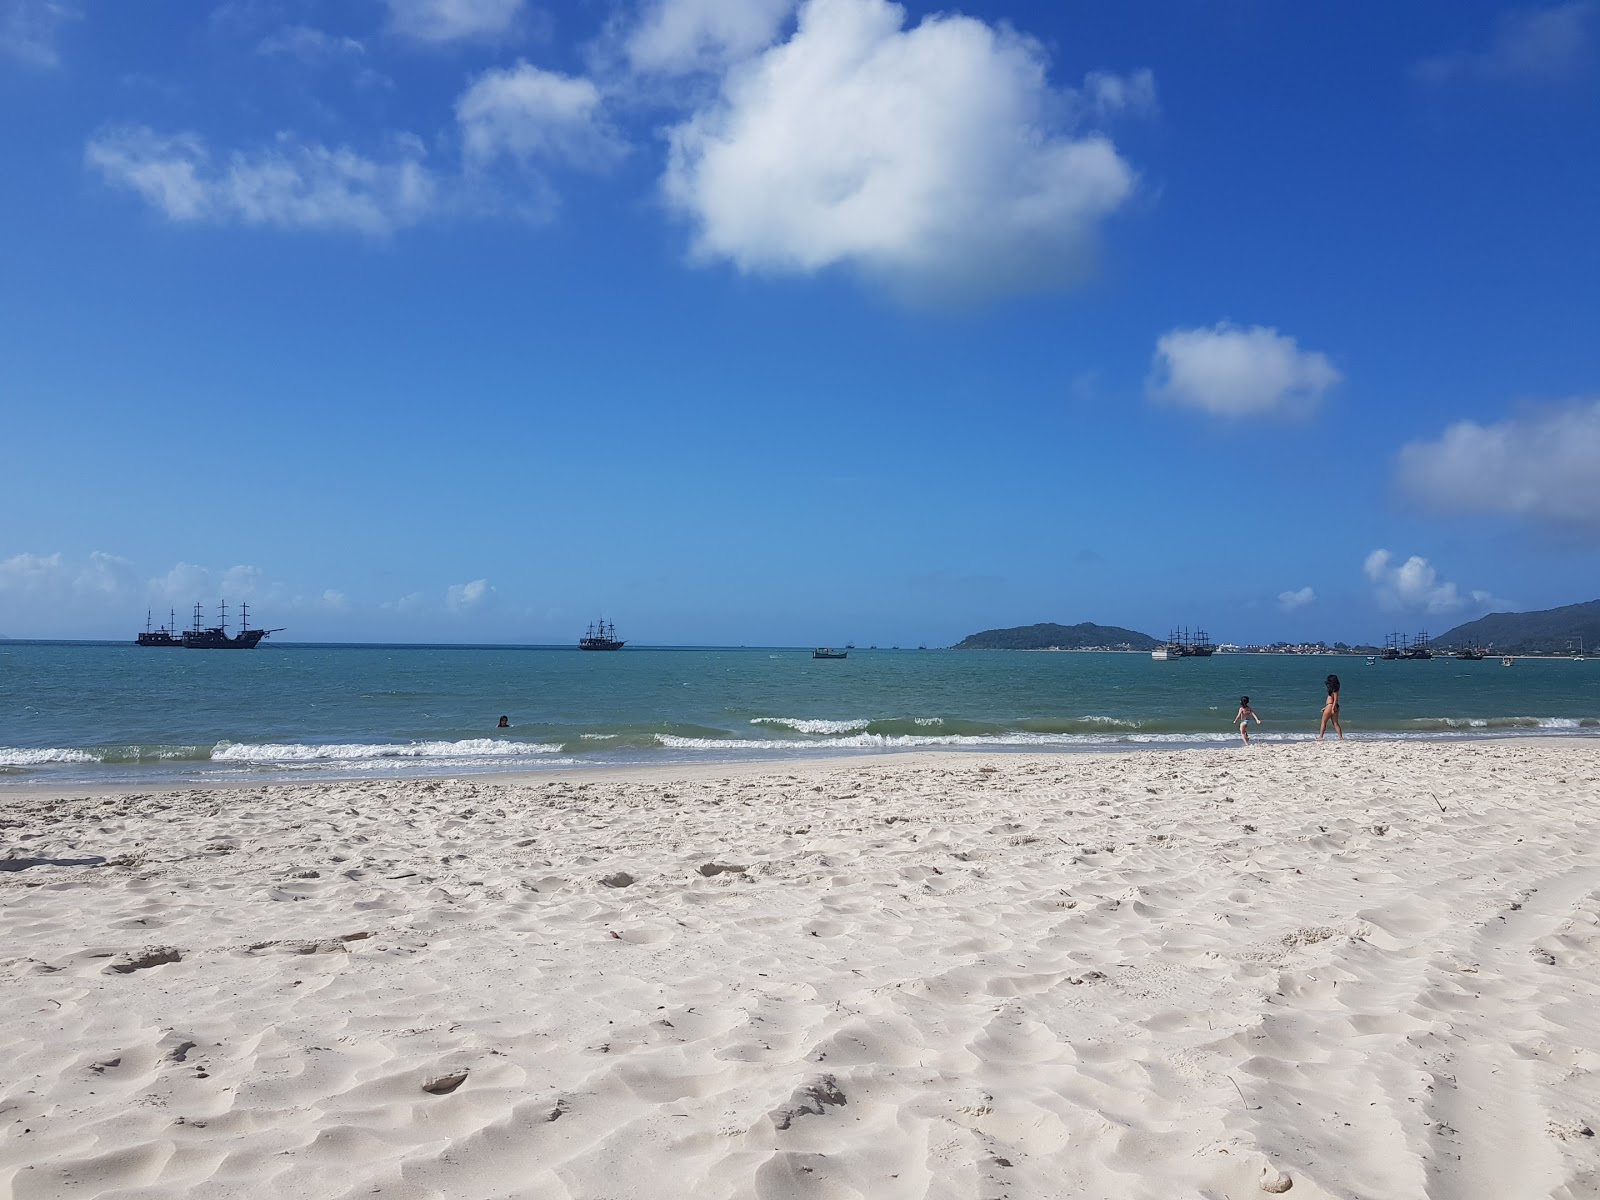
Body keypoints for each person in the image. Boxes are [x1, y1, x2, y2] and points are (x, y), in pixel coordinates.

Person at [1318, 674, 1343, 740]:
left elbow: (1335, 700)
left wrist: (1332, 708)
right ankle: (1340, 737)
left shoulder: (1335, 690)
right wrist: (1326, 707)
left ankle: (1321, 736)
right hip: (1331, 706)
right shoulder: (1334, 689)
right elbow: (1332, 700)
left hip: (1331, 706)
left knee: (1323, 722)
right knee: (1335, 723)